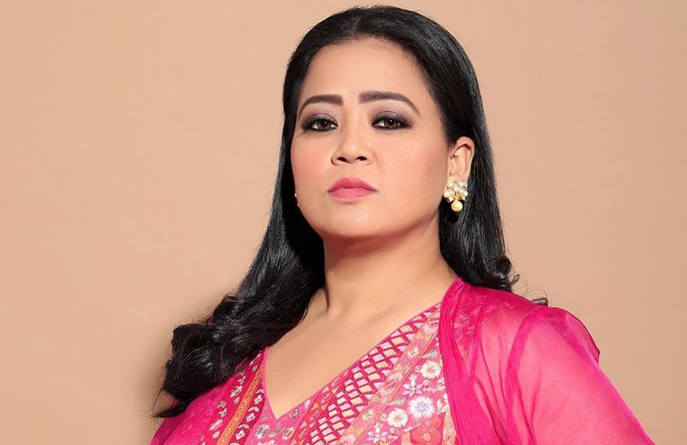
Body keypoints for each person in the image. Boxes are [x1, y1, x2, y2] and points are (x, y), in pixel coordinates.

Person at [149, 5, 655, 444]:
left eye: (388, 121)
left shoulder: (513, 348)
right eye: (320, 123)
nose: (349, 148)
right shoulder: (227, 359)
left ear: (456, 162)